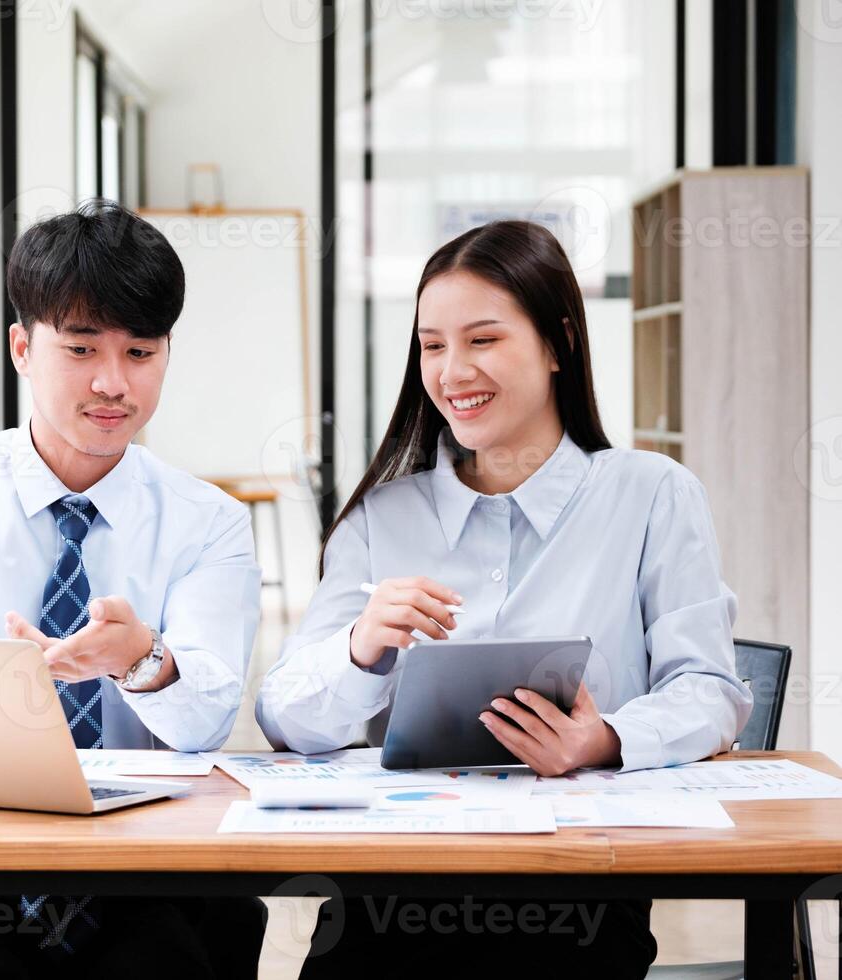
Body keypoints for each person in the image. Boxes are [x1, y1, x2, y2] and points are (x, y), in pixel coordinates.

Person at [255, 220, 753, 979]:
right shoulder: (379, 519)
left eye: (482, 339)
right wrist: (359, 648)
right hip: (390, 898)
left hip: (578, 896)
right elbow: (282, 716)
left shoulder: (651, 495)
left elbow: (712, 690)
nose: (452, 370)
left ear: (558, 344)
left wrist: (605, 739)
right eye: (431, 345)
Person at [0, 200, 266, 979]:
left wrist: (145, 660)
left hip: (144, 872)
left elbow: (207, 725)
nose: (112, 382)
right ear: (23, 348)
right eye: (81, 349)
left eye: (140, 352)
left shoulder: (210, 524)